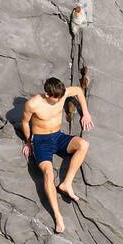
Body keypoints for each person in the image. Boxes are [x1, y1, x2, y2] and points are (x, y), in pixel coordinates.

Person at [21, 76, 93, 233]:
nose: (60, 100)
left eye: (62, 97)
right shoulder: (33, 104)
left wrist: (85, 113)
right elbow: (25, 122)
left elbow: (79, 91)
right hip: (41, 142)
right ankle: (57, 216)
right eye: (57, 98)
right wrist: (28, 141)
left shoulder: (61, 93)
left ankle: (66, 183)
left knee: (83, 145)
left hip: (58, 136)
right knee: (48, 174)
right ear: (47, 94)